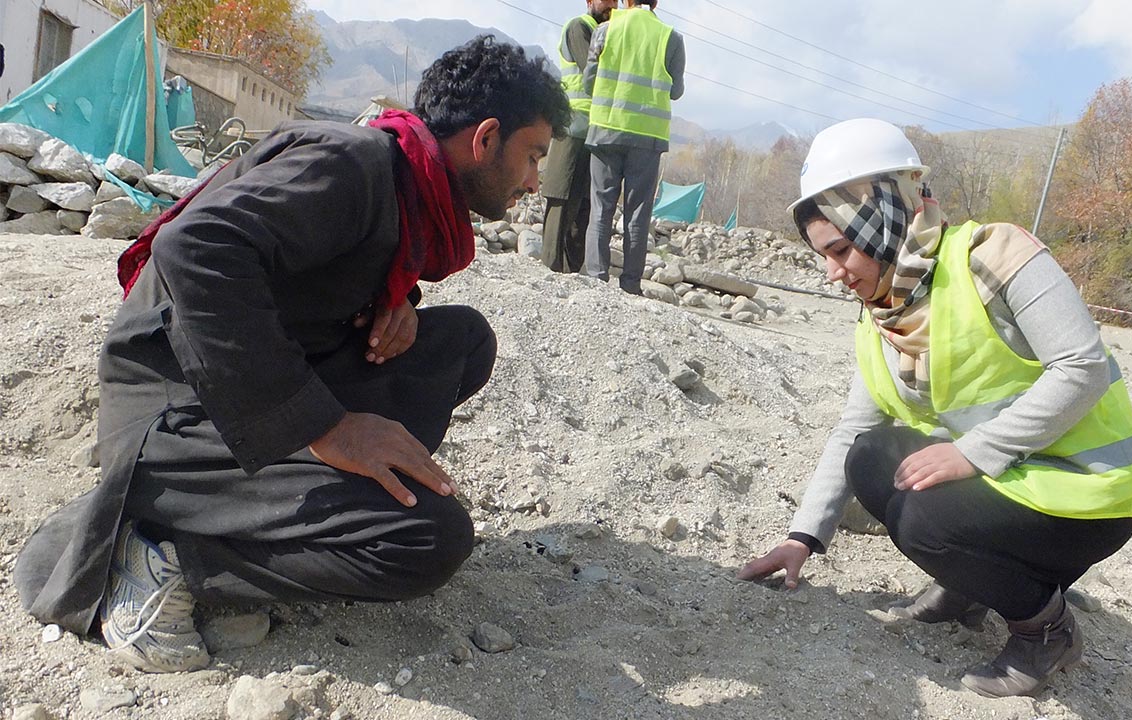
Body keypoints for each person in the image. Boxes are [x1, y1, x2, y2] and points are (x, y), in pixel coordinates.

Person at [14, 36, 570, 673]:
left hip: (239, 385)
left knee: (460, 344)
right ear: (486, 137)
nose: (532, 182)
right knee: (427, 541)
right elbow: (196, 250)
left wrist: (396, 299)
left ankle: (237, 506)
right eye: (533, 156)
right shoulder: (355, 162)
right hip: (176, 401)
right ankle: (157, 550)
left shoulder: (403, 183)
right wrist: (326, 428)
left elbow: (308, 269)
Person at [739, 119, 1132, 698]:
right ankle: (969, 586)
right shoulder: (883, 311)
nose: (832, 273)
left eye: (840, 249)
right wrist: (802, 538)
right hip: (1013, 485)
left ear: (879, 219)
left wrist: (974, 453)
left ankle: (1046, 630)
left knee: (923, 518)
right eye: (822, 257)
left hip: (1087, 497)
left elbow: (1079, 367)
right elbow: (854, 430)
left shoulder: (995, 254)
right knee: (872, 457)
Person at [581, 0, 685, 294]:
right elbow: (676, 90)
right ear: (656, 3)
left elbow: (589, 84)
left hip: (605, 130)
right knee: (637, 214)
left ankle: (596, 279)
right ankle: (630, 285)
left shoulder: (605, 30)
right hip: (647, 138)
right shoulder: (671, 37)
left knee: (601, 208)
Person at [540, 0, 618, 273]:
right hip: (573, 127)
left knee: (584, 203)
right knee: (561, 197)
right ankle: (550, 267)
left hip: (596, 130)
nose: (611, 4)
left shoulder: (607, 33)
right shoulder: (579, 27)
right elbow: (594, 74)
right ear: (589, 2)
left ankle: (572, 271)